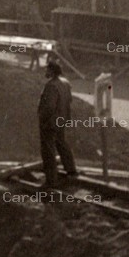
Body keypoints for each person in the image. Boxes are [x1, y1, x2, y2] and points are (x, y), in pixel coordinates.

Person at [38, 56, 78, 192]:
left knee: (48, 150)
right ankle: (71, 170)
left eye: (47, 69)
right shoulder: (66, 83)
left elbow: (49, 106)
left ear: (52, 71)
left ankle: (51, 180)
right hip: (62, 120)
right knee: (61, 143)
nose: (45, 71)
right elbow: (69, 101)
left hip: (50, 122)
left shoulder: (51, 85)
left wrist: (43, 119)